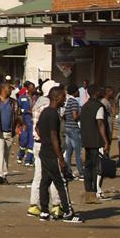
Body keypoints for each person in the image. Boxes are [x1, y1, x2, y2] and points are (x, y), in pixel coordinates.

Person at [35, 85, 82, 223]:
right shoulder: (53, 114)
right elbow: (54, 136)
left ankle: (44, 211)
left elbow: (37, 128)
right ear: (56, 97)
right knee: (62, 182)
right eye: (63, 97)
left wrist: (44, 140)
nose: (64, 99)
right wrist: (60, 158)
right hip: (52, 153)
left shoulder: (45, 112)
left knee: (45, 181)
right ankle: (68, 212)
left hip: (45, 151)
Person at [29, 80, 62, 217]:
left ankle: (34, 204)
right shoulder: (48, 107)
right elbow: (52, 131)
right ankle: (56, 205)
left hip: (37, 143)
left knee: (39, 176)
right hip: (47, 144)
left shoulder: (38, 103)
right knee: (54, 176)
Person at [79, 84, 110, 203]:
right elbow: (100, 124)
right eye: (100, 90)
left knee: (88, 167)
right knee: (97, 168)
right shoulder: (99, 106)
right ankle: (95, 191)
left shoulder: (85, 106)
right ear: (96, 92)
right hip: (97, 141)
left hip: (86, 140)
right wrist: (106, 141)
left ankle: (88, 192)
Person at [63, 84, 84, 179]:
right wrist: (81, 114)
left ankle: (68, 171)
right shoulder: (74, 102)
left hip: (67, 127)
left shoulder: (68, 101)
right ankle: (81, 171)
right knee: (78, 152)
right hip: (74, 128)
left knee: (68, 152)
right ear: (75, 92)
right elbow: (75, 116)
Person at [17, 82, 35, 166]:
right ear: (28, 88)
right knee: (23, 140)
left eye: (34, 87)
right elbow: (18, 109)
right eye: (32, 87)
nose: (33, 89)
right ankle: (20, 155)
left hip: (33, 121)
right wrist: (21, 122)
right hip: (25, 120)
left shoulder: (36, 98)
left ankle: (28, 160)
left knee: (32, 140)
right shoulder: (22, 98)